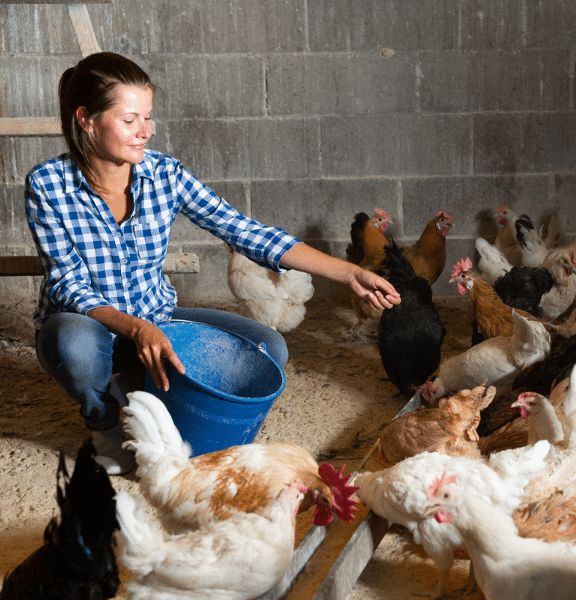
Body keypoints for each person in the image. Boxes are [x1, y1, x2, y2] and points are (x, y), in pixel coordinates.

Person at [25, 52, 400, 475]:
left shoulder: (165, 174)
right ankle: (106, 422)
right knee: (71, 340)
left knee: (268, 348)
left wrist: (349, 273)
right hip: (93, 329)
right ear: (87, 119)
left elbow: (242, 230)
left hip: (157, 319)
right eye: (130, 121)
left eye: (148, 118)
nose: (145, 132)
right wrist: (136, 329)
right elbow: (68, 284)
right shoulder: (47, 184)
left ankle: (157, 403)